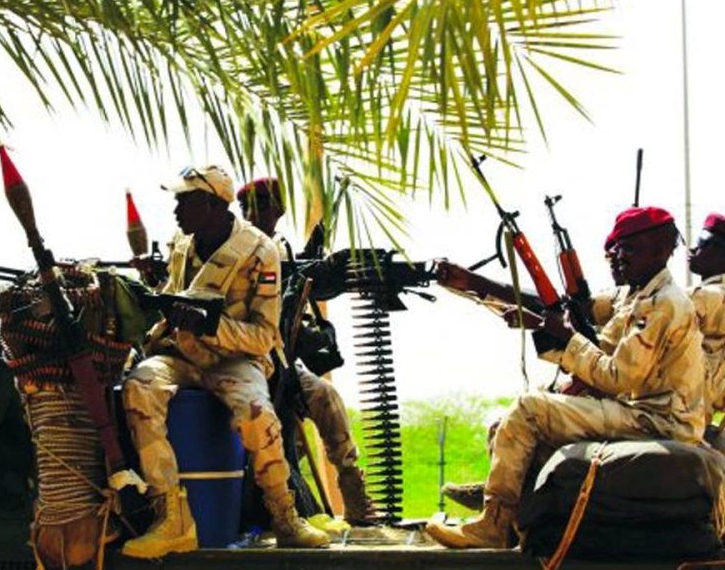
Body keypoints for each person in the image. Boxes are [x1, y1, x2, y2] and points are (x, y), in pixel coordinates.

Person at [425, 206, 706, 549]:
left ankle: (493, 526)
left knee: (529, 409)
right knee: (503, 425)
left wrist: (568, 338)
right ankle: (513, 519)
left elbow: (618, 377)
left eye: (629, 248)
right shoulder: (634, 295)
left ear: (660, 250)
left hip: (659, 420)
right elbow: (575, 312)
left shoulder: (664, 303)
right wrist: (478, 286)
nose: (617, 256)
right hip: (640, 411)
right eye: (617, 248)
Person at [121, 165, 329, 559]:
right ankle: (171, 517)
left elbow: (263, 336)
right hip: (182, 355)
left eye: (185, 201)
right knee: (139, 386)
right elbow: (173, 293)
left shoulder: (259, 251)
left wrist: (208, 325)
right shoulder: (181, 243)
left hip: (234, 361)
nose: (176, 209)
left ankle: (285, 517)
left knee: (257, 413)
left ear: (214, 204)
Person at [237, 177, 378, 526]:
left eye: (262, 205)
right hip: (245, 359)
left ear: (278, 209)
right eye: (247, 207)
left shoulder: (280, 249)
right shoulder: (237, 249)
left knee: (325, 397)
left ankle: (352, 489)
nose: (253, 214)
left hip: (281, 358)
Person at [688, 213, 725, 429]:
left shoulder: (714, 297)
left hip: (695, 419)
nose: (692, 249)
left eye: (701, 242)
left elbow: (664, 305)